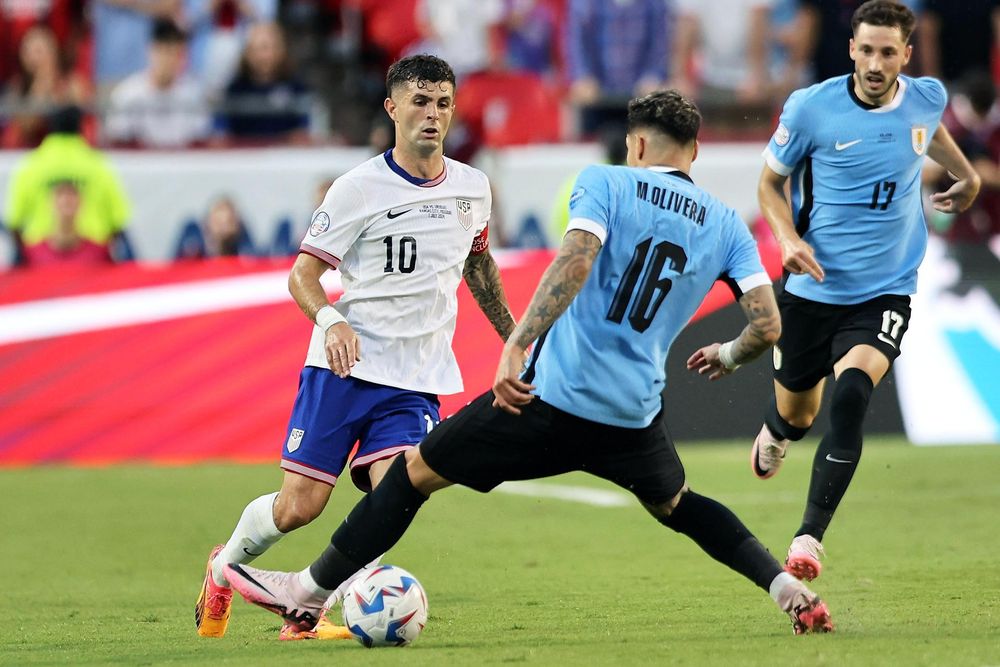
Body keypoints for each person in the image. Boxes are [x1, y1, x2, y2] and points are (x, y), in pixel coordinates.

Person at [222, 90, 836, 637]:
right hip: (633, 414)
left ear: (638, 143)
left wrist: (518, 343)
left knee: (411, 475)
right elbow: (767, 324)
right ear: (695, 152)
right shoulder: (727, 224)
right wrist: (729, 355)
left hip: (550, 399)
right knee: (680, 505)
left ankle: (307, 592)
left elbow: (576, 258)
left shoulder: (606, 182)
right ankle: (788, 591)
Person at [194, 54, 517, 639]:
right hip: (344, 368)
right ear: (392, 108)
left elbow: (478, 265)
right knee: (299, 508)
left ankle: (310, 604)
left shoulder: (473, 188)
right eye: (420, 102)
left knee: (396, 491)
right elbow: (302, 277)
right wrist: (331, 321)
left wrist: (514, 337)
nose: (433, 115)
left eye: (443, 103)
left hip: (416, 377)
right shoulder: (358, 188)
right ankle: (224, 567)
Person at [749, 0, 980, 582]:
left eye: (888, 52)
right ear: (851, 48)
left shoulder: (926, 96)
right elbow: (769, 185)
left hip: (887, 287)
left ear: (906, 53)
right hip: (812, 285)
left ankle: (808, 538)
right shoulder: (811, 109)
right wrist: (786, 239)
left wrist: (968, 174)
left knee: (851, 394)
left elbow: (929, 135)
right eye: (866, 50)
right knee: (798, 414)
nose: (876, 63)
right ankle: (780, 431)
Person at [4, 105, 131, 266]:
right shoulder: (98, 164)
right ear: (81, 127)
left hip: (37, 258)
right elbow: (118, 220)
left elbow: (14, 221)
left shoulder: (31, 165)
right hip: (94, 258)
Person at [104, 19, 211, 148]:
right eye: (166, 52)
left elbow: (199, 143)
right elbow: (118, 142)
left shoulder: (194, 95)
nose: (171, 60)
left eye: (177, 54)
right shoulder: (128, 94)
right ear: (151, 51)